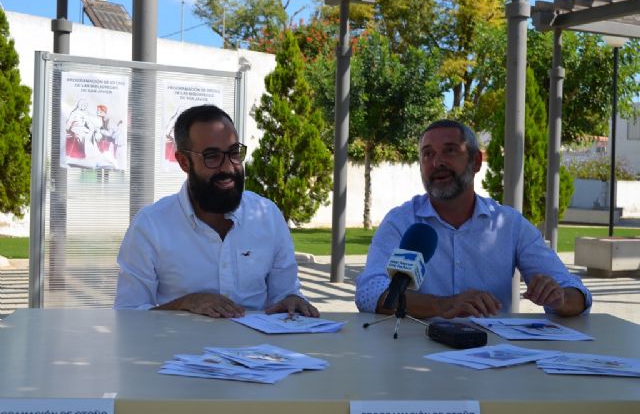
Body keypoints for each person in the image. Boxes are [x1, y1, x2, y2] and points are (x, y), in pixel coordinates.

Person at [355, 119, 592, 318]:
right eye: (428, 154)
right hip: (414, 351)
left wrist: (559, 298)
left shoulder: (509, 225)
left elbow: (577, 293)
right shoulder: (401, 222)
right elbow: (370, 292)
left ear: (476, 161)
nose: (437, 163)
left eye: (450, 150)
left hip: (492, 356)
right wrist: (443, 305)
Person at [114, 104, 319, 318]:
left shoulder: (267, 215)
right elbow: (128, 315)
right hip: (179, 348)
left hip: (255, 350)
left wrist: (293, 301)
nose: (228, 167)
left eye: (234, 153)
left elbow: (285, 295)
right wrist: (186, 303)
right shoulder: (151, 226)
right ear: (184, 162)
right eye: (212, 156)